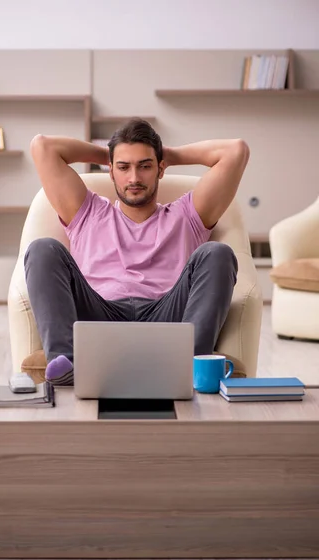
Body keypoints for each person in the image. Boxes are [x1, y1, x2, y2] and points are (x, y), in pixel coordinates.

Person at [25, 118, 249, 386]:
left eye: (145, 166)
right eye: (123, 167)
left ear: (160, 169)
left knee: (217, 253)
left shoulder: (187, 214)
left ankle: (187, 365)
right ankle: (68, 366)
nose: (134, 178)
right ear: (111, 171)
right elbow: (43, 147)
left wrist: (165, 154)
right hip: (99, 314)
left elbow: (236, 151)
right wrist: (112, 152)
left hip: (166, 316)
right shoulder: (87, 212)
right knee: (42, 249)